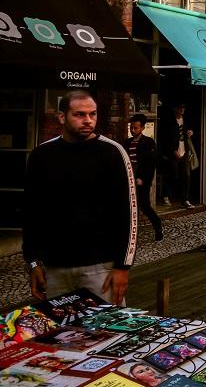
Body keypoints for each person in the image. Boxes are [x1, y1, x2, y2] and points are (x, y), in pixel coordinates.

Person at [22, 91, 137, 304]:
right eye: (79, 115)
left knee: (107, 332)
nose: (88, 120)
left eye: (92, 114)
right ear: (62, 117)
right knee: (61, 334)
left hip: (100, 265)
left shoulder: (112, 153)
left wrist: (122, 266)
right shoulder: (42, 155)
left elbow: (128, 213)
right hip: (55, 267)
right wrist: (33, 262)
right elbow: (32, 212)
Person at [122, 114, 163, 242]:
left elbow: (151, 164)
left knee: (144, 205)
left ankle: (158, 227)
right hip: (129, 178)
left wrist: (143, 179)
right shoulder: (127, 142)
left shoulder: (148, 142)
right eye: (131, 127)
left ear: (142, 128)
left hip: (142, 179)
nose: (133, 130)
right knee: (127, 206)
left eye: (136, 128)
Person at [161, 103, 196, 208]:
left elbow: (190, 130)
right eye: (180, 108)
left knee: (186, 176)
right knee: (172, 175)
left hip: (184, 151)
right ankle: (166, 196)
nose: (182, 110)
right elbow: (164, 139)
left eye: (183, 108)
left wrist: (191, 132)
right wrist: (172, 150)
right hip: (173, 153)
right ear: (174, 108)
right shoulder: (169, 122)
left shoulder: (186, 120)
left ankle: (185, 200)